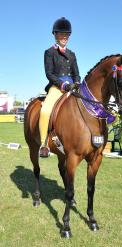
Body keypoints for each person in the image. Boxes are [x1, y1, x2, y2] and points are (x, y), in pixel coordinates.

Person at [39, 17, 81, 157]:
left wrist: (76, 84)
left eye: (66, 35)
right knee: (45, 111)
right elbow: (49, 73)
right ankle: (43, 144)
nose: (64, 37)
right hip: (57, 87)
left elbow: (77, 74)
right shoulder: (49, 52)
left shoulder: (72, 54)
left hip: (72, 87)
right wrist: (62, 84)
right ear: (55, 35)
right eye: (61, 34)